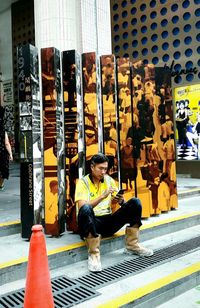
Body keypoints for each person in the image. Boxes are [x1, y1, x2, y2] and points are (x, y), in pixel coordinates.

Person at [75, 153, 153, 272]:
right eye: (100, 168)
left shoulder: (109, 180)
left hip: (107, 222)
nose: (103, 172)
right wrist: (103, 196)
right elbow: (82, 207)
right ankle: (94, 255)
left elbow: (122, 202)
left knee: (135, 203)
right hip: (91, 224)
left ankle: (132, 245)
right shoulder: (83, 182)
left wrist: (121, 200)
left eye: (105, 169)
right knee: (86, 209)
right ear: (92, 167)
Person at [0, 106, 13, 190]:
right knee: (3, 169)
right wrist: (11, 154)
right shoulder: (2, 130)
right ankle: (1, 185)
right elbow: (7, 143)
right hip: (2, 153)